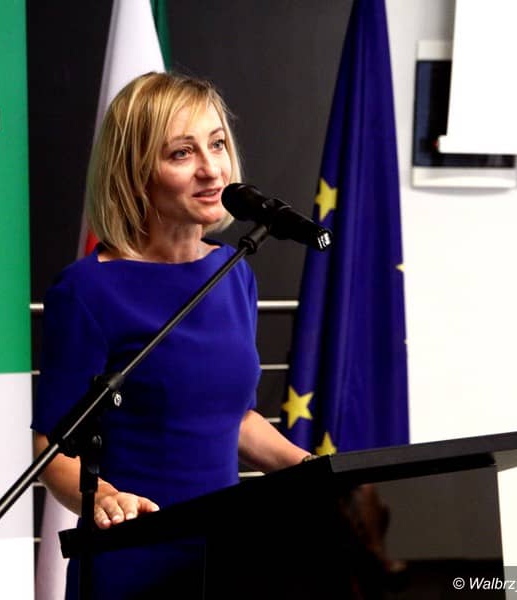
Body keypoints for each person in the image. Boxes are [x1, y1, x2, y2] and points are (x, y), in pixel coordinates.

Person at [31, 71, 314, 600]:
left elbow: (234, 418)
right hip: (132, 558)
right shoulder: (87, 290)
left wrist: (315, 471)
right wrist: (103, 498)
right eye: (182, 153)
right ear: (136, 171)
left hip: (221, 557)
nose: (212, 169)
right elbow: (52, 445)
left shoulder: (234, 272)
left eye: (217, 144)